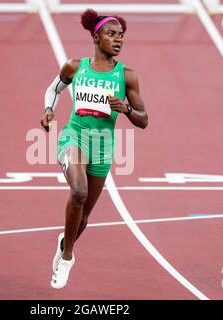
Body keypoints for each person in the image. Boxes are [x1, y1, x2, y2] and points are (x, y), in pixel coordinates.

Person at [40, 8, 148, 289]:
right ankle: (67, 257)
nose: (118, 40)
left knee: (84, 217)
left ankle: (65, 241)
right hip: (73, 137)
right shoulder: (75, 67)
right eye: (111, 34)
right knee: (78, 192)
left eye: (121, 36)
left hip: (103, 147)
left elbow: (144, 120)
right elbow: (54, 90)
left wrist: (125, 109)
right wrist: (49, 110)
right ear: (96, 36)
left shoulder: (128, 77)